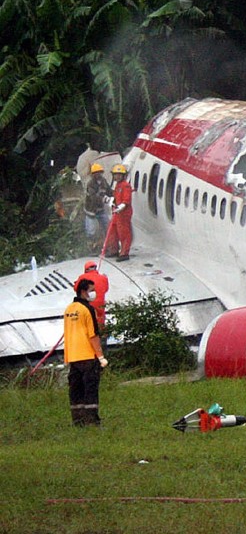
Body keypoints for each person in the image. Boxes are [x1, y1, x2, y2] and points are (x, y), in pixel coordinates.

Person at [63, 277, 108, 426]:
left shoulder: (69, 309)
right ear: (83, 292)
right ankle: (93, 421)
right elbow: (93, 335)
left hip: (73, 357)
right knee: (90, 389)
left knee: (76, 390)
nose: (94, 293)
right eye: (92, 290)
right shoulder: (88, 309)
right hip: (88, 356)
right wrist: (100, 356)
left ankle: (78, 421)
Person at [105, 163, 133, 261]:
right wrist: (111, 201)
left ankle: (124, 253)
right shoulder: (118, 185)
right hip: (116, 213)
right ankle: (114, 250)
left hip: (124, 214)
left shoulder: (126, 186)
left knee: (123, 233)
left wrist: (120, 207)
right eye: (115, 174)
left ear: (123, 175)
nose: (117, 176)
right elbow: (116, 197)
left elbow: (126, 200)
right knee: (112, 231)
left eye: (119, 174)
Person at [83, 163, 112, 252]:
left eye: (99, 172)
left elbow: (109, 191)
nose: (98, 174)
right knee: (91, 231)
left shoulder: (103, 181)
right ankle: (91, 248)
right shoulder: (90, 184)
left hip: (101, 210)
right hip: (91, 211)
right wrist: (104, 199)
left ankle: (108, 246)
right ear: (92, 174)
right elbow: (93, 197)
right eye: (96, 173)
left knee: (108, 227)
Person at [76, 261, 110, 332]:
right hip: (100, 304)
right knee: (100, 320)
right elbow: (106, 289)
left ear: (86, 269)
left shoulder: (82, 277)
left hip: (87, 304)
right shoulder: (103, 278)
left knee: (87, 321)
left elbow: (76, 289)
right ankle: (101, 336)